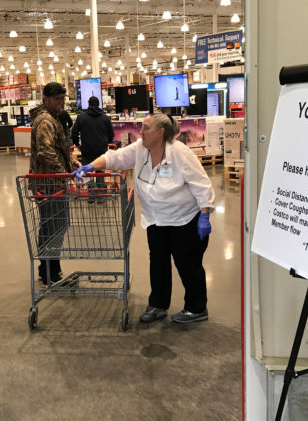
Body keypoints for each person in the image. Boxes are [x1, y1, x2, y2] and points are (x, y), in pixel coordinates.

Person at [74, 113, 215, 323]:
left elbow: (201, 184)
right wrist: (92, 166)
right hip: (155, 218)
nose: (140, 132)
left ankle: (197, 308)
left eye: (146, 128)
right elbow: (116, 157)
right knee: (158, 262)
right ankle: (158, 305)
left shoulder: (180, 153)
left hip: (183, 219)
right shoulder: (140, 148)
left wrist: (205, 214)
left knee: (187, 264)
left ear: (160, 133)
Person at [30, 82, 80, 285]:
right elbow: (45, 152)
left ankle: (50, 270)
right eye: (57, 99)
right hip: (49, 185)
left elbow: (55, 149)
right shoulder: (45, 121)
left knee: (52, 226)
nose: (62, 102)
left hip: (51, 183)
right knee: (54, 227)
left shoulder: (52, 119)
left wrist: (71, 162)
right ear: (46, 100)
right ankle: (50, 272)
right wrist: (63, 174)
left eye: (63, 98)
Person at [71, 96, 114, 197]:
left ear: (89, 104)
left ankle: (91, 194)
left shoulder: (81, 117)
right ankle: (101, 195)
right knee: (100, 172)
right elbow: (111, 134)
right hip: (101, 150)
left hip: (87, 149)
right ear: (99, 104)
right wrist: (106, 142)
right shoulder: (105, 118)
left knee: (88, 171)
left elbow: (73, 132)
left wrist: (77, 145)